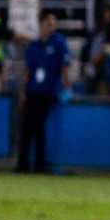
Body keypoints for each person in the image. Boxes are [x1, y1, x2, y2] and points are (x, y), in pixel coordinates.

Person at [15, 12, 69, 174]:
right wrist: (23, 90)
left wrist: (67, 87)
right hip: (33, 90)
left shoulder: (59, 43)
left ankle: (39, 164)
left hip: (48, 90)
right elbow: (27, 70)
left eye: (53, 23)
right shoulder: (34, 46)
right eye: (48, 23)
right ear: (41, 24)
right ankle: (23, 164)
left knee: (38, 125)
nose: (51, 27)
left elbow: (64, 67)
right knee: (26, 127)